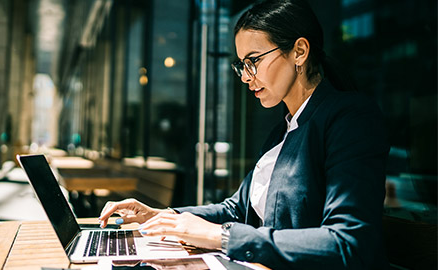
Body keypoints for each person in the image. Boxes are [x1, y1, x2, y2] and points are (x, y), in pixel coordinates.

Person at [99, 0, 389, 268]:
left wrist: (224, 238)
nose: (247, 76)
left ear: (299, 51)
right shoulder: (282, 131)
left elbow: (349, 243)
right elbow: (236, 209)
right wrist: (164, 217)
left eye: (254, 60)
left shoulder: (349, 119)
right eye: (241, 65)